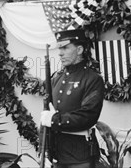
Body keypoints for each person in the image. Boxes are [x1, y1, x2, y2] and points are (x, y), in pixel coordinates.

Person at [40, 29, 104, 168]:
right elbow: (46, 119)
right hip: (56, 155)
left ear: (79, 49)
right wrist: (43, 152)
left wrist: (54, 120)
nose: (60, 53)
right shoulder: (56, 79)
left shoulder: (92, 79)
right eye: (59, 48)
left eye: (65, 48)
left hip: (79, 157)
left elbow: (88, 116)